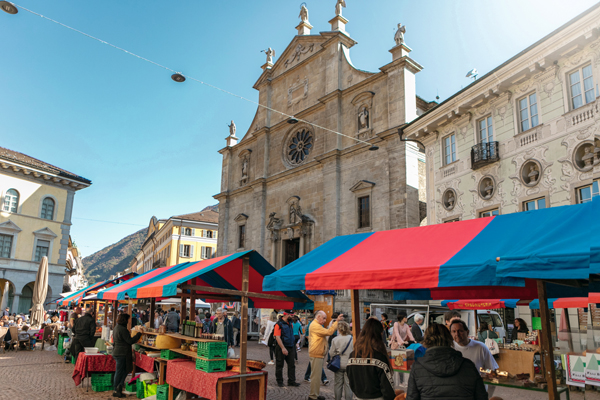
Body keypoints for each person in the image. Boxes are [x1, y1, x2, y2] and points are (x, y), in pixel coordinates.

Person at [407, 322, 487, 400]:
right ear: (449, 339)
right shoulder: (468, 365)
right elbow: (482, 397)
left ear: (427, 341)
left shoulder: (417, 368)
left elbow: (411, 397)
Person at [346, 318, 395, 400]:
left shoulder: (353, 356)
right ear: (379, 334)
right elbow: (387, 387)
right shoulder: (380, 357)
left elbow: (350, 379)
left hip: (358, 397)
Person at [308, 311, 343, 400]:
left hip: (317, 353)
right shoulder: (315, 325)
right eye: (324, 318)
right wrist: (337, 321)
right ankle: (313, 396)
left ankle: (315, 394)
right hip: (316, 353)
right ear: (318, 317)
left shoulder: (316, 324)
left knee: (317, 376)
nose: (325, 320)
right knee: (315, 377)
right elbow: (330, 332)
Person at [112, 313, 142, 398]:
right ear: (125, 320)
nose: (129, 322)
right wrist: (138, 334)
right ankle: (116, 389)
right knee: (120, 371)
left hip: (118, 352)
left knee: (123, 370)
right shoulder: (122, 329)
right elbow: (129, 341)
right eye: (128, 320)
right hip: (122, 353)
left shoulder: (116, 327)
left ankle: (119, 387)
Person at [273, 310, 300, 387]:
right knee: (279, 365)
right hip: (281, 347)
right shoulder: (278, 325)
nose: (293, 316)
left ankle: (291, 381)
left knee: (291, 365)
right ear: (286, 315)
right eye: (291, 315)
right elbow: (277, 337)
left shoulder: (290, 323)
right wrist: (283, 348)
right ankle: (279, 381)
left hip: (291, 346)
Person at [329, 321, 353, 400]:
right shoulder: (352, 339)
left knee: (338, 384)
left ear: (339, 329)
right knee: (348, 385)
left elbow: (331, 353)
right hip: (349, 363)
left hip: (338, 364)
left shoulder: (335, 339)